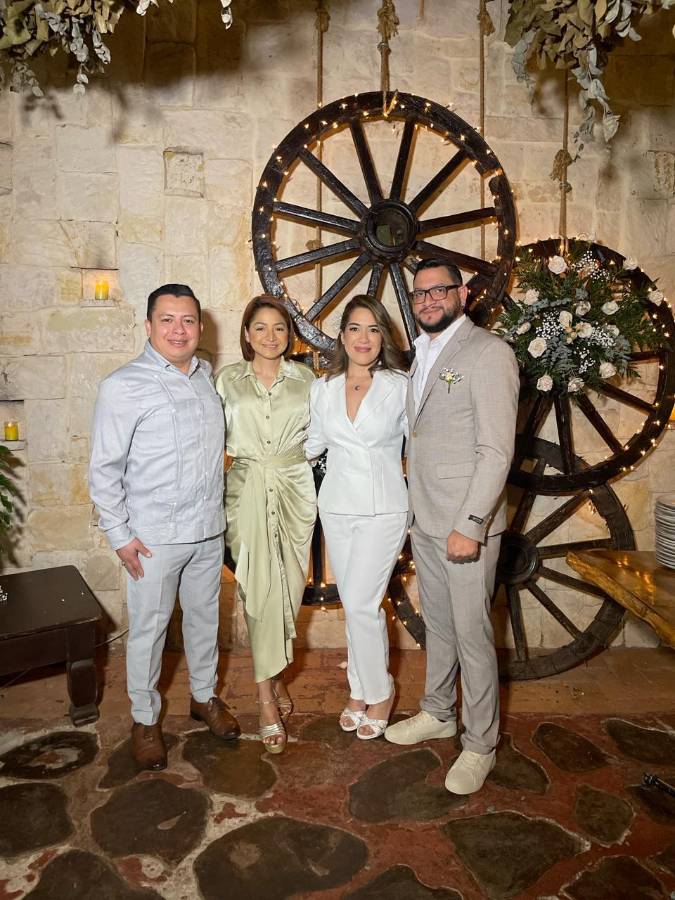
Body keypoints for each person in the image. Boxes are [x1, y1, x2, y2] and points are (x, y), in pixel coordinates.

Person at [89, 284, 240, 772]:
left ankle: (202, 698)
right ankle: (145, 718)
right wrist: (120, 536)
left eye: (189, 320)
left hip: (206, 531)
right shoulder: (122, 385)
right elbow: (103, 470)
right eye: (168, 319)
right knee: (149, 632)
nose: (179, 330)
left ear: (200, 326)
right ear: (149, 326)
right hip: (151, 538)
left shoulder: (204, 378)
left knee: (203, 623)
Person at [385, 259, 520, 795]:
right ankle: (439, 711)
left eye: (439, 291)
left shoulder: (489, 353)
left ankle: (481, 742)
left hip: (465, 525)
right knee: (438, 627)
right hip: (427, 520)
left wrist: (472, 522)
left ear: (462, 293)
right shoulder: (420, 356)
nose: (428, 300)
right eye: (419, 294)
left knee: (472, 634)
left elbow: (495, 450)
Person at [215, 296, 316, 754]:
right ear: (247, 333)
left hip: (295, 490)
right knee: (258, 592)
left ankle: (275, 674)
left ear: (289, 334)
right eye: (260, 327)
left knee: (290, 592)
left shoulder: (307, 380)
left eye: (278, 328)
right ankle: (264, 698)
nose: (270, 336)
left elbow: (327, 434)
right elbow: (207, 440)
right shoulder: (226, 381)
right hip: (247, 489)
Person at [306, 296, 409, 740]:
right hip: (337, 506)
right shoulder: (322, 388)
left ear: (383, 336)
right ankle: (358, 690)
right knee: (353, 601)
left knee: (364, 604)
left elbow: (420, 446)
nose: (363, 338)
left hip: (385, 508)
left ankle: (381, 691)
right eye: (354, 328)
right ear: (342, 335)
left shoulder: (401, 384)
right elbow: (310, 446)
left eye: (372, 329)